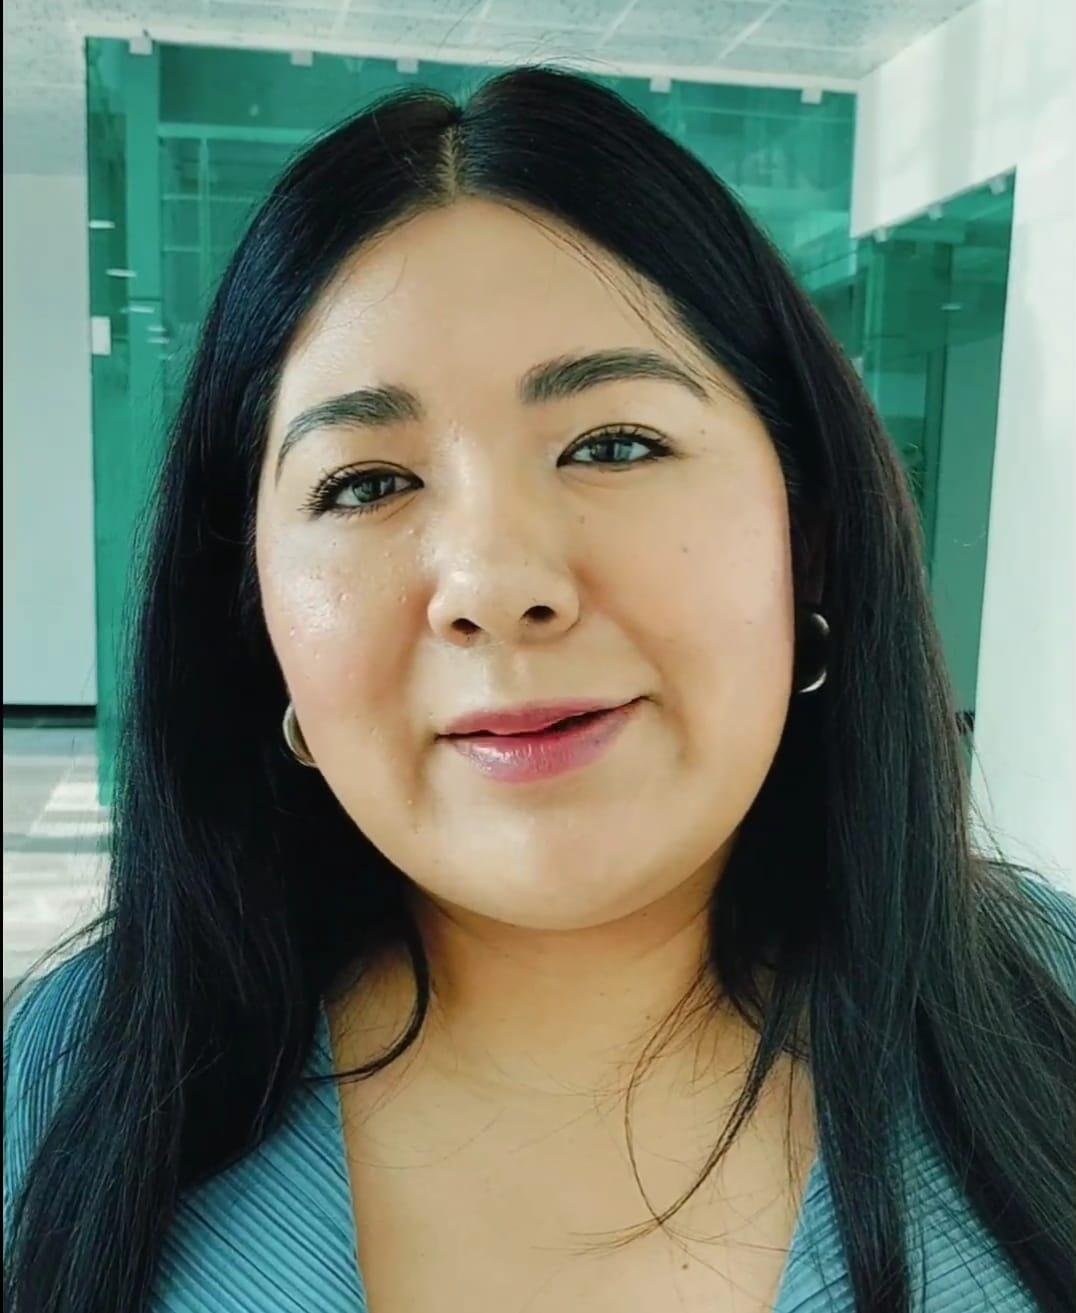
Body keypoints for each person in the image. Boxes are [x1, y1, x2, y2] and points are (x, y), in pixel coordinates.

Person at [4, 64, 1074, 1313]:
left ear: (809, 535)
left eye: (613, 443)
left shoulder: (1045, 1019)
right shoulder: (84, 1072)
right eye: (365, 483)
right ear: (255, 616)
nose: (495, 583)